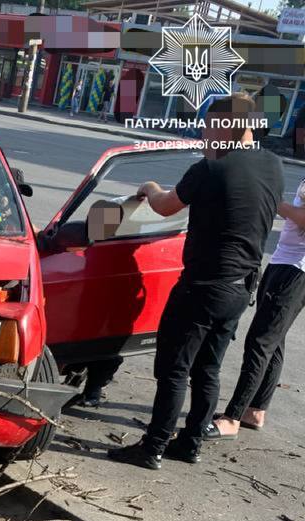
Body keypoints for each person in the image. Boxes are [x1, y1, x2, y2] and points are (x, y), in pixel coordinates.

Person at [108, 94, 284, 469]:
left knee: (174, 369)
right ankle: (190, 444)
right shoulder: (273, 164)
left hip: (203, 287)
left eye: (208, 126)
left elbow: (165, 206)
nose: (204, 134)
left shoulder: (210, 168)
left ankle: (152, 447)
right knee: (208, 368)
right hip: (241, 287)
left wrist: (149, 187)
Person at [211, 176, 305, 435]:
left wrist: (275, 201)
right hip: (284, 262)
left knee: (260, 342)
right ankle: (255, 410)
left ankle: (233, 417)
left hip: (296, 271)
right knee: (273, 341)